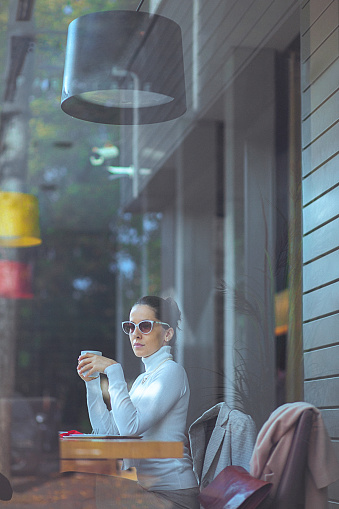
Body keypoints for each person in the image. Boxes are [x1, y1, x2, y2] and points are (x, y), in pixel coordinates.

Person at [77, 295, 200, 509]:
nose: (136, 334)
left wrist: (113, 370)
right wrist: (92, 384)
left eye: (145, 326)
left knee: (104, 492)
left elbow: (130, 428)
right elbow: (110, 431)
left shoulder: (172, 372)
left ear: (167, 334)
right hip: (148, 490)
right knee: (101, 488)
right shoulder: (144, 380)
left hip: (174, 496)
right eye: (130, 327)